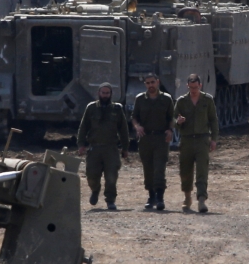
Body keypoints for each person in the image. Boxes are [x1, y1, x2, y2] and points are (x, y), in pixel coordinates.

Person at [77, 82, 129, 210]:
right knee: (91, 174)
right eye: (103, 93)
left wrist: (125, 148)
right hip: (95, 148)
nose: (105, 95)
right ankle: (95, 190)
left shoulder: (117, 109)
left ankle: (110, 200)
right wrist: (81, 144)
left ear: (111, 94)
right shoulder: (91, 108)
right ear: (98, 93)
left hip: (111, 148)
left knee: (111, 176)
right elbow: (83, 127)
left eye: (107, 93)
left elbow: (123, 130)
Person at [174, 73, 218, 213]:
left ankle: (201, 200)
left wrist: (214, 139)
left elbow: (213, 120)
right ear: (187, 86)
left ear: (200, 85)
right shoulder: (181, 101)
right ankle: (187, 197)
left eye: (196, 87)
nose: (193, 90)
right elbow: (173, 121)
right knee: (185, 170)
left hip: (202, 139)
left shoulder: (207, 100)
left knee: (202, 171)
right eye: (191, 87)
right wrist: (178, 122)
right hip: (186, 140)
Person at [131, 73, 174, 211]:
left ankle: (160, 197)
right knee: (148, 168)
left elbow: (171, 118)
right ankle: (151, 196)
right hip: (145, 138)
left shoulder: (166, 99)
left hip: (161, 138)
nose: (150, 85)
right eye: (148, 83)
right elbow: (134, 117)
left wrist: (170, 130)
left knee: (159, 168)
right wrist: (137, 127)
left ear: (158, 82)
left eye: (152, 82)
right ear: (145, 85)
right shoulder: (140, 99)